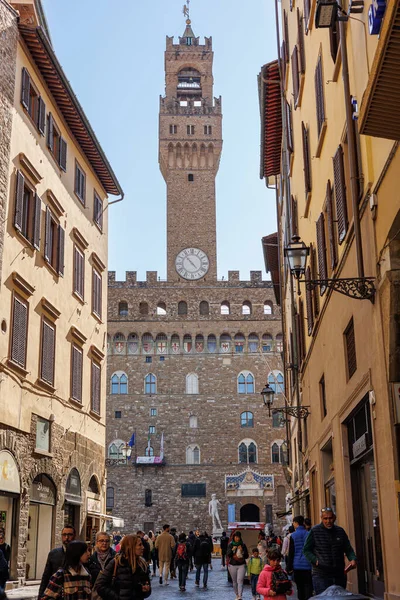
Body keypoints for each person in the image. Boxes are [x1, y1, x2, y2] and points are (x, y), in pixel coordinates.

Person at [303, 507, 357, 594]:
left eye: (330, 518)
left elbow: (348, 549)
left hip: (339, 574)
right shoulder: (314, 531)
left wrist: (352, 558)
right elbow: (306, 550)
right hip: (321, 574)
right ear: (322, 518)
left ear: (334, 518)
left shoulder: (340, 531)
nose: (328, 521)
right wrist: (315, 560)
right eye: (325, 518)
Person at [96, 534, 151, 600]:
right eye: (140, 545)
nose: (143, 547)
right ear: (131, 546)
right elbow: (100, 585)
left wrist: (145, 590)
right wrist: (117, 598)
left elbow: (147, 587)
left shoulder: (142, 564)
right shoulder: (116, 562)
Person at [38, 525, 76, 598]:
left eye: (69, 535)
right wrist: (40, 596)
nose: (66, 538)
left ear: (74, 536)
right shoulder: (54, 554)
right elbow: (46, 576)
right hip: (56, 594)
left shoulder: (80, 554)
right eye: (64, 535)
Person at [286, 516, 312, 600]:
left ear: (296, 523)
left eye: (293, 523)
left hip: (297, 566)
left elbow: (291, 552)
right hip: (308, 565)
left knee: (300, 588)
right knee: (308, 587)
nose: (293, 524)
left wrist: (289, 567)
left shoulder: (293, 535)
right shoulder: (308, 534)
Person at [227, 530, 249, 600]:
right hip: (232, 564)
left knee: (240, 580)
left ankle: (240, 595)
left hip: (241, 564)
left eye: (238, 537)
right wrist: (233, 550)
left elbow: (246, 555)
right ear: (234, 537)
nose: (237, 539)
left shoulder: (243, 544)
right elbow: (228, 554)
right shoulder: (230, 544)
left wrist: (242, 550)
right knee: (234, 581)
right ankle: (236, 594)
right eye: (236, 537)